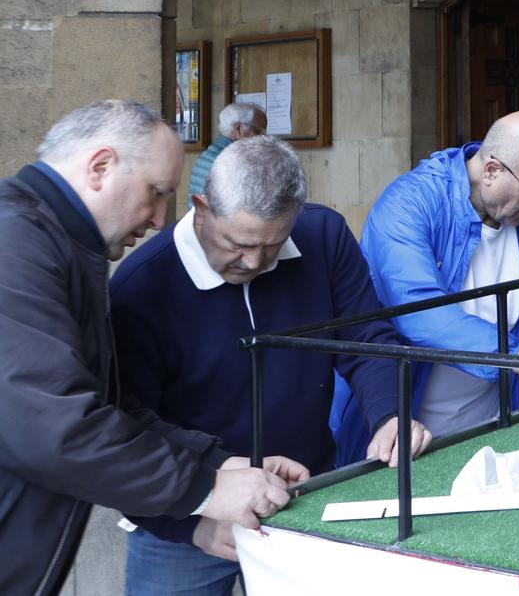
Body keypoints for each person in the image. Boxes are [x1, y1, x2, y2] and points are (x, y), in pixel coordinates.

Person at [0, 101, 295, 593]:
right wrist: (204, 489)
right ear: (100, 168)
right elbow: (56, 429)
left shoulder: (56, 246)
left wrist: (218, 463)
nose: (160, 218)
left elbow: (106, 409)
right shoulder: (15, 243)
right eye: (155, 193)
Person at [111, 135, 429, 590]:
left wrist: (389, 413)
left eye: (273, 244)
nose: (255, 261)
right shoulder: (139, 287)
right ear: (201, 208)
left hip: (308, 494)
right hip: (188, 519)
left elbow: (365, 339)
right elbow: (127, 431)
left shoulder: (323, 236)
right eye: (238, 243)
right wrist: (194, 522)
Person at [335, 110, 519, 457]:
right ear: (492, 171)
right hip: (401, 431)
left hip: (487, 426)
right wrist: (517, 357)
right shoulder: (409, 203)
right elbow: (421, 313)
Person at [187, 99, 266, 203]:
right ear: (238, 128)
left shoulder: (210, 153)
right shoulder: (231, 160)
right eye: (259, 131)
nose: (263, 138)